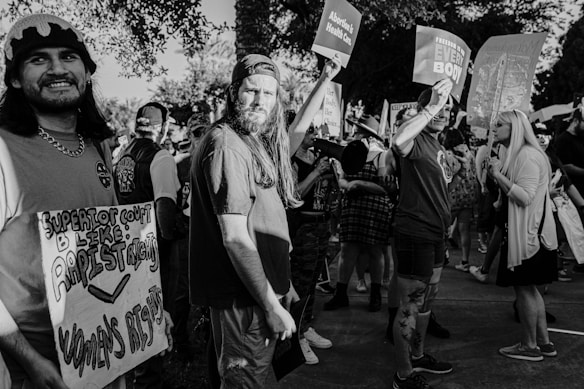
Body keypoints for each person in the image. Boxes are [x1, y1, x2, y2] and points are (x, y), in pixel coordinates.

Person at [0, 13, 172, 389]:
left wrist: (149, 305)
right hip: (36, 370)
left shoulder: (97, 146)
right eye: (38, 59)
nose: (57, 68)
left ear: (87, 71)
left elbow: (111, 243)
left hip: (107, 353)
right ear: (15, 78)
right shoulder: (2, 150)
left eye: (68, 57)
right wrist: (30, 360)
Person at [189, 54, 299, 388]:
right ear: (235, 91)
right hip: (244, 299)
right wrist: (270, 304)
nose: (259, 101)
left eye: (268, 94)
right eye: (252, 91)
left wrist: (284, 284)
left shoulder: (249, 139)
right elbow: (235, 236)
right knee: (244, 381)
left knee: (257, 379)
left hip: (259, 292)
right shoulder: (226, 145)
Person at [391, 79, 455, 389]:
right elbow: (398, 141)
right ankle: (403, 374)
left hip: (436, 234)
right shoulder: (415, 138)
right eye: (439, 105)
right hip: (415, 232)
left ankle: (417, 355)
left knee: (428, 301)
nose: (444, 112)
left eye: (447, 108)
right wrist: (431, 108)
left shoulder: (438, 145)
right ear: (423, 108)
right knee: (410, 306)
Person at [114, 102, 181, 388]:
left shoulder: (122, 153)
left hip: (124, 251)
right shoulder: (161, 156)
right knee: (154, 320)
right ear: (162, 126)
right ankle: (147, 379)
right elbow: (165, 208)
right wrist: (173, 237)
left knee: (132, 317)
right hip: (153, 253)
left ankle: (136, 372)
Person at [488, 110, 558, 361]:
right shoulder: (520, 154)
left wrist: (497, 176)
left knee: (525, 291)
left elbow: (525, 197)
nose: (494, 128)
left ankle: (529, 346)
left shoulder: (527, 155)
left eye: (499, 124)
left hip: (528, 238)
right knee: (531, 290)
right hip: (532, 235)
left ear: (514, 128)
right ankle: (544, 342)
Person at [323, 114, 393, 313]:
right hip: (353, 207)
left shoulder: (381, 155)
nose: (354, 134)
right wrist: (349, 184)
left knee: (375, 251)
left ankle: (376, 293)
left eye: (358, 131)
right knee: (347, 250)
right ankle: (341, 293)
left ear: (369, 136)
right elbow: (342, 180)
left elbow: (384, 188)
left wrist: (359, 183)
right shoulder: (351, 153)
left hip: (375, 209)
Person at [554, 106, 584, 273]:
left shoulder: (580, 138)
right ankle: (561, 266)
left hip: (579, 189)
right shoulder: (563, 140)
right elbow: (564, 167)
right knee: (567, 228)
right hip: (570, 189)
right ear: (576, 121)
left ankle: (578, 261)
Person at [442, 128, 476, 272]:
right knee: (464, 230)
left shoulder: (447, 154)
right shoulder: (470, 154)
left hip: (452, 196)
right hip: (468, 196)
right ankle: (465, 261)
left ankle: (443, 255)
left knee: (443, 228)